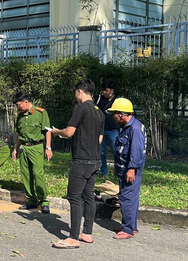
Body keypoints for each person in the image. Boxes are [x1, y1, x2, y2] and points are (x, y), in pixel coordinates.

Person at [51, 79, 104, 249]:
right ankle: (87, 233)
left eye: (75, 93)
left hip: (81, 160)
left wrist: (56, 132)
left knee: (74, 197)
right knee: (89, 197)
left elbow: (69, 132)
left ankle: (73, 237)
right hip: (95, 160)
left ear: (80, 92)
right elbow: (100, 139)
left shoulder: (80, 108)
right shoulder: (99, 112)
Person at [108, 98, 146, 239]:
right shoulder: (127, 126)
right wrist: (118, 166)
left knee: (127, 198)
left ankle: (128, 229)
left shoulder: (135, 128)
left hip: (130, 169)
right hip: (124, 168)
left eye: (115, 113)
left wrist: (131, 169)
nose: (114, 116)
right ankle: (131, 225)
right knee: (131, 198)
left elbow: (137, 150)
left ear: (122, 113)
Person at [12, 92, 53, 214]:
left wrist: (48, 148)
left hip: (36, 147)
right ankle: (31, 200)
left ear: (26, 102)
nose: (17, 108)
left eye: (18, 105)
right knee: (26, 174)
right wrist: (15, 148)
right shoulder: (20, 116)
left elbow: (48, 131)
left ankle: (44, 202)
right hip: (24, 148)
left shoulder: (41, 113)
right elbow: (19, 134)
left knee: (38, 174)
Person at [96, 80, 118, 177]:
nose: (104, 92)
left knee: (116, 152)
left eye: (106, 90)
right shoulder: (99, 99)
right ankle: (103, 172)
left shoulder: (117, 101)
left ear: (112, 91)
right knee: (102, 152)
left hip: (113, 130)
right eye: (104, 90)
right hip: (101, 130)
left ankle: (118, 170)